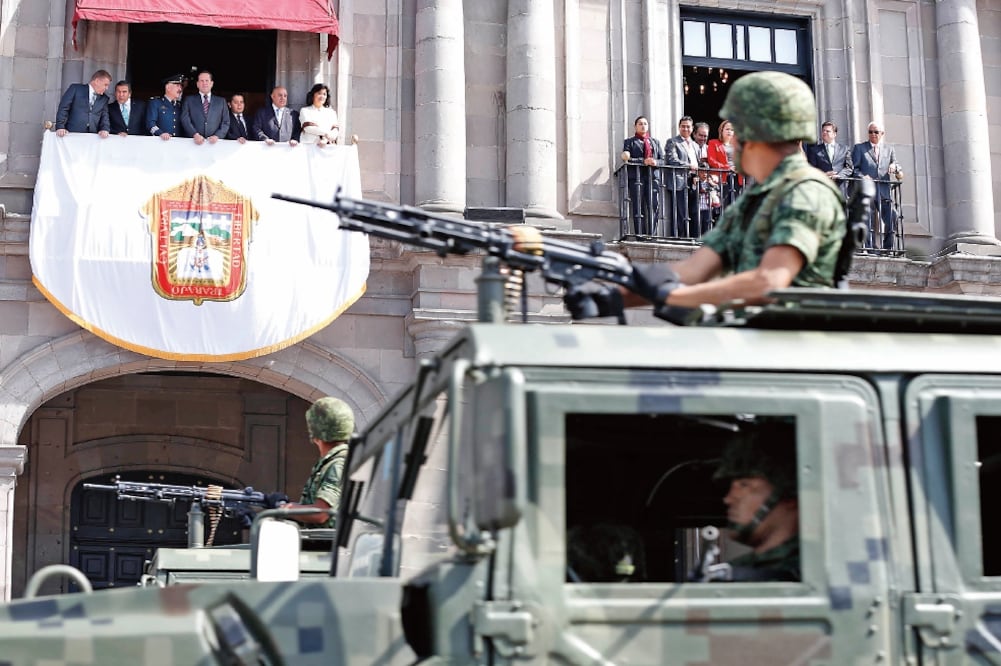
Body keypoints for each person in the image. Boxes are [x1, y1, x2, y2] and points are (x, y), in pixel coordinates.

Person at [564, 71, 847, 319]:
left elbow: (768, 283)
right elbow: (695, 270)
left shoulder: (807, 191)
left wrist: (672, 298)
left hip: (795, 354)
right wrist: (612, 295)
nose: (732, 138)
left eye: (739, 126)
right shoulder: (754, 199)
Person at [712, 427, 799, 582]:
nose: (728, 499)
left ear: (789, 494)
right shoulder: (732, 573)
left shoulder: (808, 573)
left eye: (744, 485)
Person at [277, 397, 354, 529]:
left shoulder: (338, 465)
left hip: (325, 544)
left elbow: (321, 513)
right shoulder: (335, 461)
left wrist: (284, 508)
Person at [851, 122, 902, 251]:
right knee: (868, 221)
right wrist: (863, 176)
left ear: (882, 134)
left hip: (884, 191)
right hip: (867, 191)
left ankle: (888, 248)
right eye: (870, 132)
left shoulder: (889, 149)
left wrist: (894, 167)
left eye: (876, 132)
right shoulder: (859, 148)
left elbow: (896, 164)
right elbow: (853, 169)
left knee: (892, 217)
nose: (873, 134)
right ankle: (869, 249)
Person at [620, 116, 665, 236]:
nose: (643, 125)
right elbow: (627, 160)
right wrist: (643, 161)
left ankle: (652, 234)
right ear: (635, 126)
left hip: (653, 178)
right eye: (640, 123)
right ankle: (640, 234)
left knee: (654, 206)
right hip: (637, 178)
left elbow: (663, 160)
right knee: (638, 207)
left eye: (645, 123)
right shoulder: (629, 142)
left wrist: (656, 162)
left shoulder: (655, 142)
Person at [664, 116, 698, 237]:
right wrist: (688, 165)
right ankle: (679, 238)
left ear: (692, 128)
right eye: (683, 126)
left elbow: (697, 163)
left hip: (693, 182)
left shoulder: (695, 145)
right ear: (679, 127)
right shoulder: (673, 142)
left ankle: (692, 237)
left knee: (693, 212)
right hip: (678, 181)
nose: (685, 128)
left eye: (688, 126)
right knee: (680, 213)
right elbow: (672, 159)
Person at [54, 69, 112, 137]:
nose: (107, 88)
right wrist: (60, 126)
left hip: (92, 136)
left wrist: (105, 129)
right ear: (97, 81)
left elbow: (104, 116)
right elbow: (63, 108)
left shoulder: (104, 98)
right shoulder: (76, 89)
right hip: (72, 133)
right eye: (105, 85)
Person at [181, 70, 229, 145]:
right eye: (202, 81)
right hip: (193, 143)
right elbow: (185, 119)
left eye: (207, 80)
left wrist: (217, 136)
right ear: (197, 84)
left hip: (215, 144)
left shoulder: (221, 101)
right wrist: (195, 134)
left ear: (212, 83)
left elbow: (226, 122)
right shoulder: (189, 100)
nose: (204, 83)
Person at [805, 121, 853, 195]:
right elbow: (812, 169)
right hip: (822, 189)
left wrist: (839, 176)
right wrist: (824, 174)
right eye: (823, 131)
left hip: (840, 188)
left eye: (828, 131)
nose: (824, 133)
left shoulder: (844, 149)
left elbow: (849, 168)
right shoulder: (814, 150)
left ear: (834, 134)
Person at [707, 119, 742, 205]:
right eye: (727, 129)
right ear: (721, 130)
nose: (729, 131)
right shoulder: (713, 143)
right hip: (722, 177)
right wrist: (728, 168)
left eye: (732, 130)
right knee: (723, 204)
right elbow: (712, 160)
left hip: (737, 178)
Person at [145, 73, 186, 140]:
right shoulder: (155, 102)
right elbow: (150, 124)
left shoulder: (180, 105)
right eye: (177, 86)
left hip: (178, 145)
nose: (180, 89)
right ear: (168, 88)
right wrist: (160, 133)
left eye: (181, 86)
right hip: (160, 143)